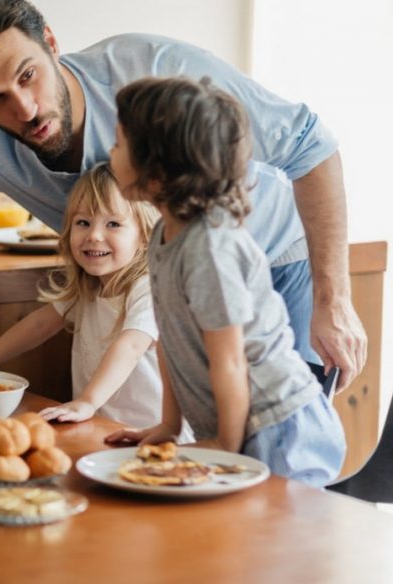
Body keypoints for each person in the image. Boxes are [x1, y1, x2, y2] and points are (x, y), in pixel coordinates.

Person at [0, 0, 365, 392]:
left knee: (278, 469)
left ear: (50, 41)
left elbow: (310, 147)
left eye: (27, 75)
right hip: (171, 299)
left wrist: (333, 299)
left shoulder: (151, 67)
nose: (25, 109)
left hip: (274, 265)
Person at [103, 77, 346, 486]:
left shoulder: (210, 249)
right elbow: (171, 338)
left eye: (118, 145)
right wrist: (168, 425)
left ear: (159, 172)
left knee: (268, 547)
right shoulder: (165, 235)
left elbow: (230, 359)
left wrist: (225, 449)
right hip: (238, 427)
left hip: (278, 428)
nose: (109, 154)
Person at [0, 164, 191, 439]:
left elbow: (131, 346)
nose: (94, 235)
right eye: (83, 222)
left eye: (113, 224)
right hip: (99, 430)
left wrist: (88, 401)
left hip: (152, 438)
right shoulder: (88, 287)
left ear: (145, 236)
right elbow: (40, 324)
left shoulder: (150, 288)